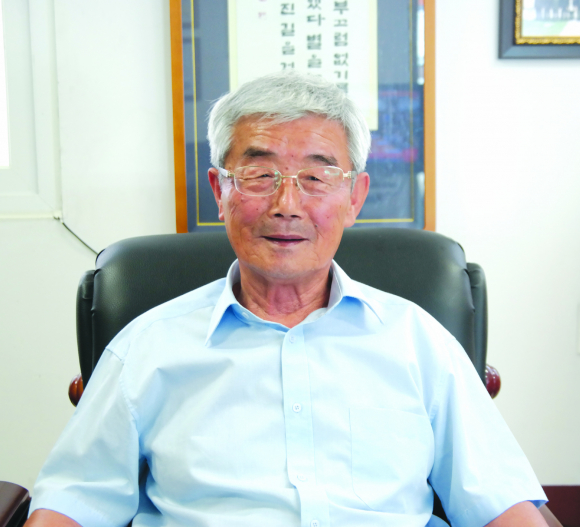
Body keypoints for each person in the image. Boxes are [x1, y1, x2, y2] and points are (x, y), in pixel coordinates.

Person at [26, 71, 548, 527]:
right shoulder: (147, 347)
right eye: (259, 175)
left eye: (317, 177)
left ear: (355, 197)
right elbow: (73, 503)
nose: (287, 204)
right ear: (220, 190)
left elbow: (500, 503)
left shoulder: (418, 341)